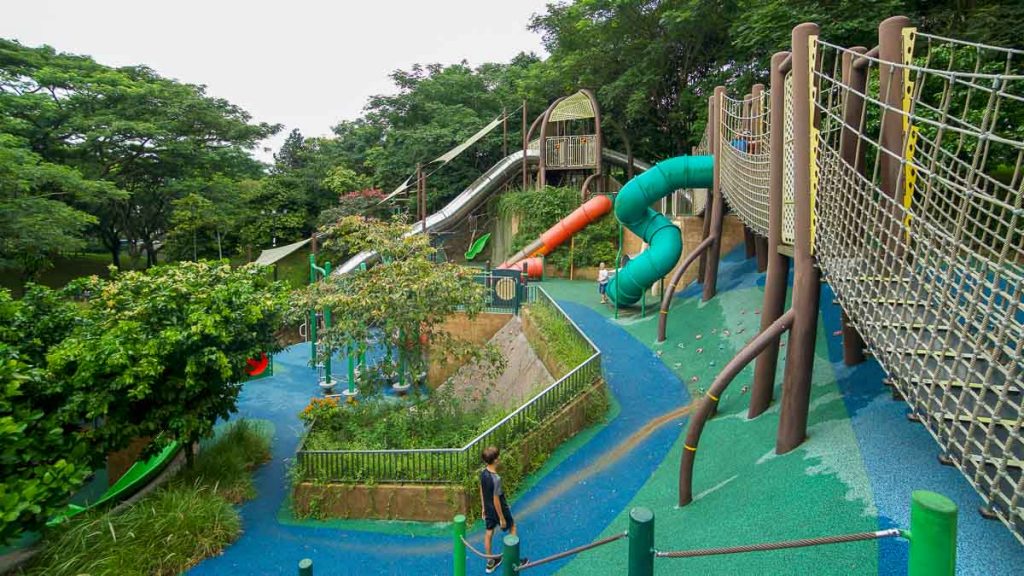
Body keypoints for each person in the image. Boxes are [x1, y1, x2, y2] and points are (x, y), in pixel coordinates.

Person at [479, 446, 526, 573]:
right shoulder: (496, 479)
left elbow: (482, 490)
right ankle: (514, 560)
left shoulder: (483, 473)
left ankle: (490, 562)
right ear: (494, 460)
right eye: (497, 457)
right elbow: (496, 500)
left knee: (489, 532)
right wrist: (501, 518)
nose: (499, 459)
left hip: (488, 508)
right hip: (499, 509)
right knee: (513, 527)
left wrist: (483, 507)